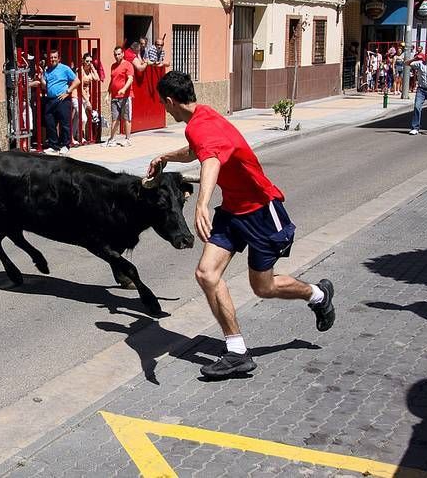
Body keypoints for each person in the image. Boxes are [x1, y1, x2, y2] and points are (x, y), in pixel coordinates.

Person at [147, 70, 335, 380]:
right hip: (234, 211)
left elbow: (210, 160)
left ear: (170, 101)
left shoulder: (201, 125)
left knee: (264, 287)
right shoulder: (202, 118)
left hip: (262, 211)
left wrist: (202, 203)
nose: (165, 110)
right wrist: (164, 157)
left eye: (163, 105)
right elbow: (199, 151)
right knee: (206, 274)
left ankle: (317, 295)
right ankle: (237, 352)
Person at [39, 48, 80, 154]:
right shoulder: (47, 70)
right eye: (51, 57)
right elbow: (44, 86)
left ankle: (65, 145)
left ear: (59, 58)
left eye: (55, 57)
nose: (53, 59)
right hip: (50, 100)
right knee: (50, 123)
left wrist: (68, 91)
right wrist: (41, 78)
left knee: (64, 124)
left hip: (62, 100)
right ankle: (54, 145)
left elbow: (77, 81)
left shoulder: (65, 69)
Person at [105, 45, 134, 147]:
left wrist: (124, 89)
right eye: (115, 54)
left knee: (126, 118)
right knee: (115, 118)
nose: (117, 56)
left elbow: (130, 79)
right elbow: (112, 81)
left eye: (118, 54)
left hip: (126, 96)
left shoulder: (128, 65)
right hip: (114, 96)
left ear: (122, 54)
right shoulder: (113, 66)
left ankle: (127, 139)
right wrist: (108, 94)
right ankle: (111, 139)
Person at [406, 46, 427, 136]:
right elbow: (406, 63)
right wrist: (414, 58)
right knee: (417, 107)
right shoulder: (420, 63)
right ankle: (415, 127)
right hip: (421, 90)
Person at [78, 52, 100, 143]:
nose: (88, 63)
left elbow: (97, 78)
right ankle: (80, 136)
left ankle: (79, 136)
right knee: (83, 118)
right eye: (87, 61)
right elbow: (80, 87)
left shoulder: (90, 70)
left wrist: (93, 68)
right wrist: (87, 101)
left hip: (87, 95)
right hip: (81, 96)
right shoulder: (81, 71)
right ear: (83, 61)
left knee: (80, 118)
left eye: (90, 61)